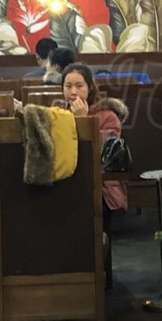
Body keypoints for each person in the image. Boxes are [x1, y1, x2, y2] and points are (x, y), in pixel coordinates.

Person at [60, 62, 128, 210]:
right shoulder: (58, 114)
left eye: (79, 86)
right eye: (68, 86)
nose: (73, 92)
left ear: (89, 87)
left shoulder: (107, 116)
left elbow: (103, 156)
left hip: (100, 185)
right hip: (65, 179)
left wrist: (83, 120)